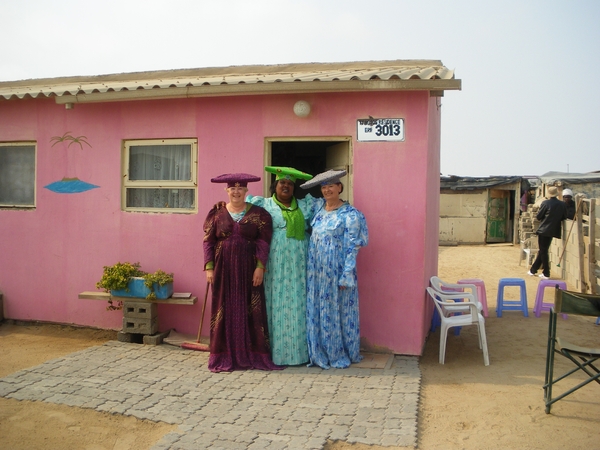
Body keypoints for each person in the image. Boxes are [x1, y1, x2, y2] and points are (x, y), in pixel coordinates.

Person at [203, 173, 281, 373]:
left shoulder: (260, 214)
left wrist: (260, 266)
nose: (236, 191)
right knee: (223, 306)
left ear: (246, 191)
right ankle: (224, 354)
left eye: (240, 188)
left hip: (248, 269)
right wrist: (209, 267)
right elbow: (208, 241)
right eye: (232, 188)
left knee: (251, 308)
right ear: (226, 190)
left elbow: (263, 242)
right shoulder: (217, 214)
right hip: (223, 268)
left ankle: (252, 354)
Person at [245, 166, 317, 366]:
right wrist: (221, 206)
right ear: (275, 185)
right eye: (282, 183)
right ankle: (274, 352)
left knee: (298, 303)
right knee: (276, 303)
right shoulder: (264, 205)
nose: (286, 186)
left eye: (290, 184)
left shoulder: (304, 206)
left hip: (300, 265)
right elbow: (240, 210)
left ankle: (300, 354)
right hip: (275, 264)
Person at [300, 169, 369, 369]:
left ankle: (338, 352)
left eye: (331, 185)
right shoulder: (318, 209)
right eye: (323, 186)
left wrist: (346, 274)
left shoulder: (350, 214)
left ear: (340, 187)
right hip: (316, 272)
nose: (327, 189)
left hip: (336, 272)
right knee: (318, 310)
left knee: (337, 311)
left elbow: (352, 246)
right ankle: (319, 351)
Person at [527, 186, 567, 280]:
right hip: (553, 230)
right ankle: (533, 270)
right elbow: (564, 217)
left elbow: (539, 216)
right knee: (543, 250)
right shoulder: (562, 204)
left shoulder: (545, 203)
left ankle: (546, 272)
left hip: (544, 230)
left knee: (543, 251)